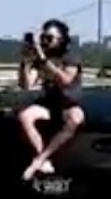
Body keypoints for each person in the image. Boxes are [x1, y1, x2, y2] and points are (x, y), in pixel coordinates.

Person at [16, 18, 86, 180]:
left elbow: (66, 81)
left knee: (75, 120)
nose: (45, 42)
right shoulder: (41, 57)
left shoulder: (70, 55)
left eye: (49, 38)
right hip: (49, 102)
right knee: (25, 116)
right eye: (43, 38)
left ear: (61, 39)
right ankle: (43, 158)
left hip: (69, 101)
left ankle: (40, 159)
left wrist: (43, 60)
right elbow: (26, 84)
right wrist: (26, 62)